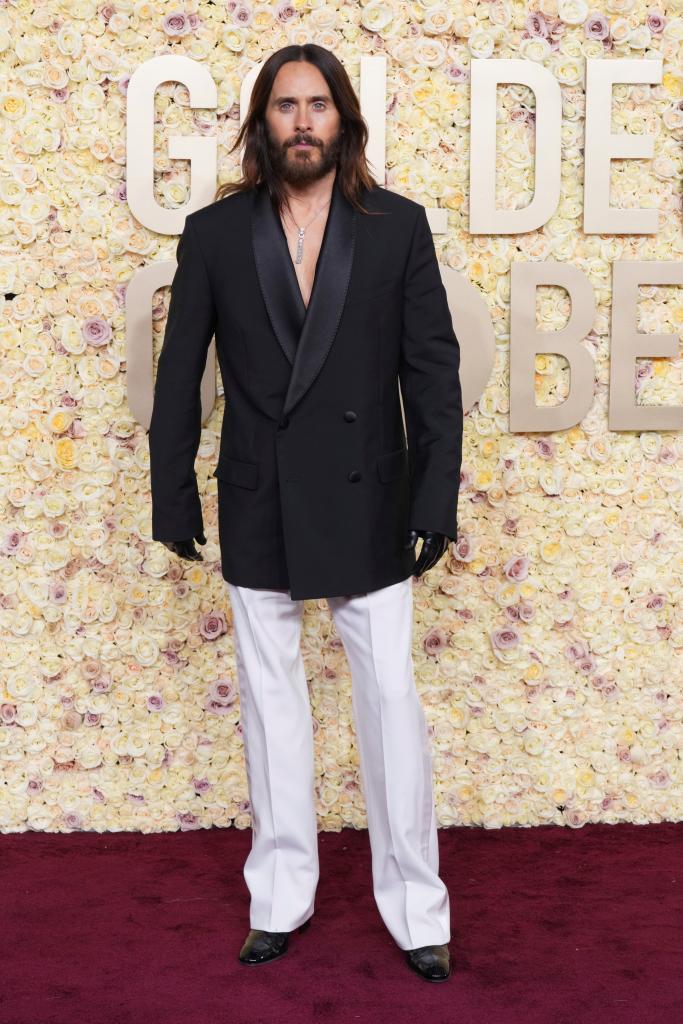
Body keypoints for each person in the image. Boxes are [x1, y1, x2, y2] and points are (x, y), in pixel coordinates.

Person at [148, 43, 463, 983]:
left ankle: (416, 911)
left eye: (316, 104)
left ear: (344, 119)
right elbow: (180, 379)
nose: (301, 121)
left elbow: (432, 375)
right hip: (257, 493)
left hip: (370, 495)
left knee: (389, 704)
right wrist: (172, 491)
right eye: (284, 106)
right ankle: (279, 899)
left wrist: (434, 496)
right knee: (271, 707)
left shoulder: (398, 228)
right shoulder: (212, 234)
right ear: (261, 121)